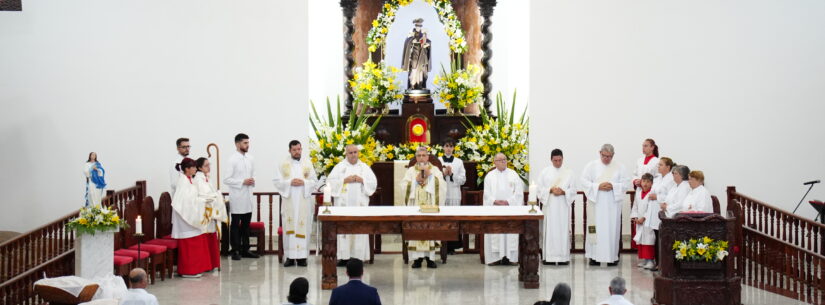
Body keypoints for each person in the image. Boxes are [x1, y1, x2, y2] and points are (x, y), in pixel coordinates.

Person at [327, 144, 377, 266]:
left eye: (355, 152)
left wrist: (362, 180)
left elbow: (373, 183)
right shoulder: (340, 167)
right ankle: (344, 257)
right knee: (344, 231)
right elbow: (330, 182)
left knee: (359, 229)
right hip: (344, 207)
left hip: (360, 207)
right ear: (346, 154)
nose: (353, 155)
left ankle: (358, 257)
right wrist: (344, 180)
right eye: (351, 153)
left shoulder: (364, 167)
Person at [580, 144, 628, 266]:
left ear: (613, 155)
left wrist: (613, 186)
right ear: (599, 153)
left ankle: (612, 256)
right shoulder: (591, 166)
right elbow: (584, 181)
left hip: (612, 205)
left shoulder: (619, 167)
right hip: (596, 204)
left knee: (612, 229)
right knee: (594, 229)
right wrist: (598, 186)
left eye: (609, 157)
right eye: (604, 156)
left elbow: (625, 183)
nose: (606, 159)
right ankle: (594, 256)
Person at [273, 140, 318, 267]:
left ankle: (303, 257)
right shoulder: (283, 164)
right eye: (295, 150)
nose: (298, 152)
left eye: (299, 149)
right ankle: (290, 257)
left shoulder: (307, 163)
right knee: (289, 228)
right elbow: (276, 181)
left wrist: (304, 182)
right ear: (289, 150)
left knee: (305, 227)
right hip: (290, 200)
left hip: (304, 201)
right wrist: (289, 183)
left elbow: (314, 180)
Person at [401, 146, 446, 268]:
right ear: (416, 157)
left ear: (428, 156)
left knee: (429, 229)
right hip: (415, 206)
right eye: (419, 156)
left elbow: (442, 185)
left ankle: (430, 258)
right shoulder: (410, 171)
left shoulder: (435, 169)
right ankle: (417, 259)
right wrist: (415, 181)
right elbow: (404, 186)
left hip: (430, 206)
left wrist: (430, 176)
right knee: (416, 230)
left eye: (424, 155)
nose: (421, 158)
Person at [171, 158, 214, 277]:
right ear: (186, 169)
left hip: (190, 214)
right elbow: (184, 202)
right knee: (189, 243)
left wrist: (203, 200)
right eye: (193, 167)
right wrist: (202, 201)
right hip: (184, 217)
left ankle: (196, 268)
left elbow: (193, 198)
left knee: (197, 238)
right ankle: (188, 271)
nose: (196, 169)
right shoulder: (182, 181)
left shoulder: (190, 180)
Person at [483, 153, 524, 266]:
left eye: (504, 159)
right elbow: (486, 194)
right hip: (494, 209)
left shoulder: (513, 174)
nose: (502, 161)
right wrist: (494, 201)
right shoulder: (489, 176)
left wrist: (509, 201)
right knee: (495, 231)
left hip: (510, 209)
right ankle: (494, 258)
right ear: (494, 162)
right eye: (499, 160)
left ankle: (511, 258)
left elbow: (519, 193)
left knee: (510, 232)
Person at [223, 133, 258, 261]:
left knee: (246, 225)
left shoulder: (250, 158)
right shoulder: (232, 160)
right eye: (245, 143)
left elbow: (254, 174)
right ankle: (235, 249)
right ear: (237, 144)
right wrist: (242, 182)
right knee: (236, 224)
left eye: (248, 143)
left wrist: (253, 180)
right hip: (237, 197)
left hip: (248, 196)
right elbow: (226, 179)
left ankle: (246, 249)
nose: (247, 145)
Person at [537, 149, 575, 265]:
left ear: (563, 159)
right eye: (555, 160)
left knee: (562, 230)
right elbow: (539, 189)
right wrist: (550, 190)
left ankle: (563, 257)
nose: (558, 163)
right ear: (551, 159)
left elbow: (573, 190)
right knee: (549, 231)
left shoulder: (569, 172)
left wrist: (563, 192)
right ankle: (548, 257)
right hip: (550, 206)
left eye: (560, 160)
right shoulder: (545, 172)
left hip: (562, 207)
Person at [194, 157, 227, 271]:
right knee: (206, 236)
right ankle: (206, 264)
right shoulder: (198, 180)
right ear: (199, 168)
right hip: (204, 211)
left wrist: (217, 195)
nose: (209, 167)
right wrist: (216, 196)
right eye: (206, 165)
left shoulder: (207, 178)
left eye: (209, 164)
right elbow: (203, 195)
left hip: (210, 210)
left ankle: (212, 263)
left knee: (211, 235)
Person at [439, 138, 466, 254]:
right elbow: (434, 178)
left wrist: (452, 174)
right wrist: (443, 174)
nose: (448, 148)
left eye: (451, 146)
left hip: (454, 194)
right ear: (443, 147)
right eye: (446, 146)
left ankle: (453, 246)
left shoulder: (459, 162)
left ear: (454, 148)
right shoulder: (438, 161)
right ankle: (442, 245)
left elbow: (463, 180)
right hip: (443, 194)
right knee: (443, 220)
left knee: (453, 220)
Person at [630, 173, 657, 270]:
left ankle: (650, 260)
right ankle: (644, 259)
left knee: (649, 239)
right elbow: (635, 205)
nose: (645, 184)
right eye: (643, 181)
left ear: (652, 183)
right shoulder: (638, 191)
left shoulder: (652, 193)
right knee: (641, 239)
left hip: (648, 220)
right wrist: (635, 217)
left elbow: (651, 208)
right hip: (639, 221)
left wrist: (644, 218)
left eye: (648, 182)